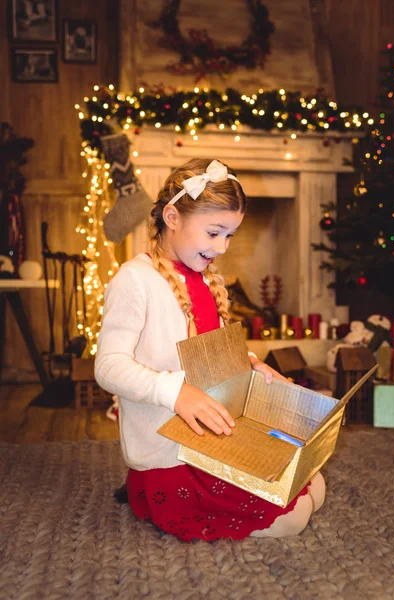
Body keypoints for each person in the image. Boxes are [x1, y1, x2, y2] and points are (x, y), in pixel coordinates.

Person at [95, 158, 325, 542]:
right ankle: (150, 497)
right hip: (171, 452)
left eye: (230, 235)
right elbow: (109, 366)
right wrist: (176, 393)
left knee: (312, 484)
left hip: (211, 437)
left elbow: (212, 354)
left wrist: (251, 365)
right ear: (172, 217)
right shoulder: (135, 280)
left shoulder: (202, 278)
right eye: (214, 232)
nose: (222, 247)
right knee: (294, 517)